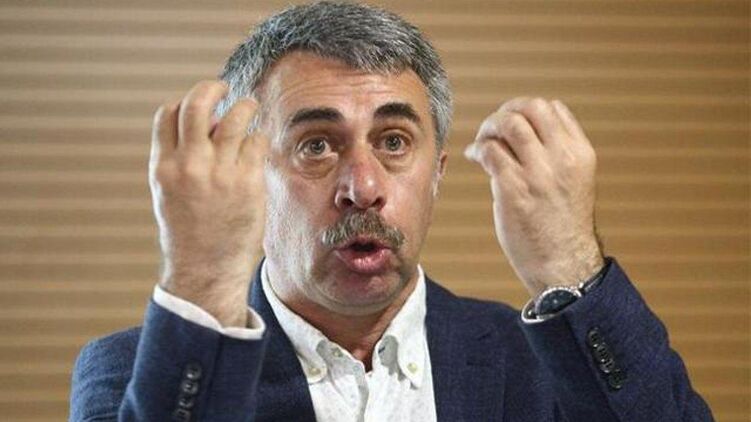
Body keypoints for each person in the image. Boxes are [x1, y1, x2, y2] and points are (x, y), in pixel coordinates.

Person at [69, 2, 714, 421]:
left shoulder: (540, 363)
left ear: (438, 173)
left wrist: (569, 265)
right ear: (248, 174)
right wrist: (205, 276)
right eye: (317, 145)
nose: (364, 186)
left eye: (394, 142)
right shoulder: (135, 373)